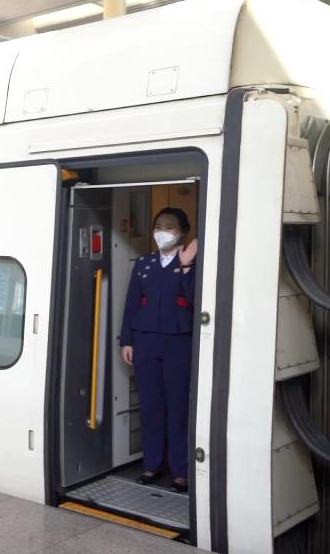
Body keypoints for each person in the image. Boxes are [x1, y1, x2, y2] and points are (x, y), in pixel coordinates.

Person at [120, 207, 198, 494]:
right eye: (158, 226)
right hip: (145, 341)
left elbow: (196, 299)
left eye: (170, 227)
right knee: (151, 405)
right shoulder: (144, 263)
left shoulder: (192, 262)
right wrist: (127, 340)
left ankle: (181, 471)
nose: (162, 232)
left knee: (178, 407)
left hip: (179, 341)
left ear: (184, 232)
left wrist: (187, 267)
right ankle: (151, 465)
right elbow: (131, 303)